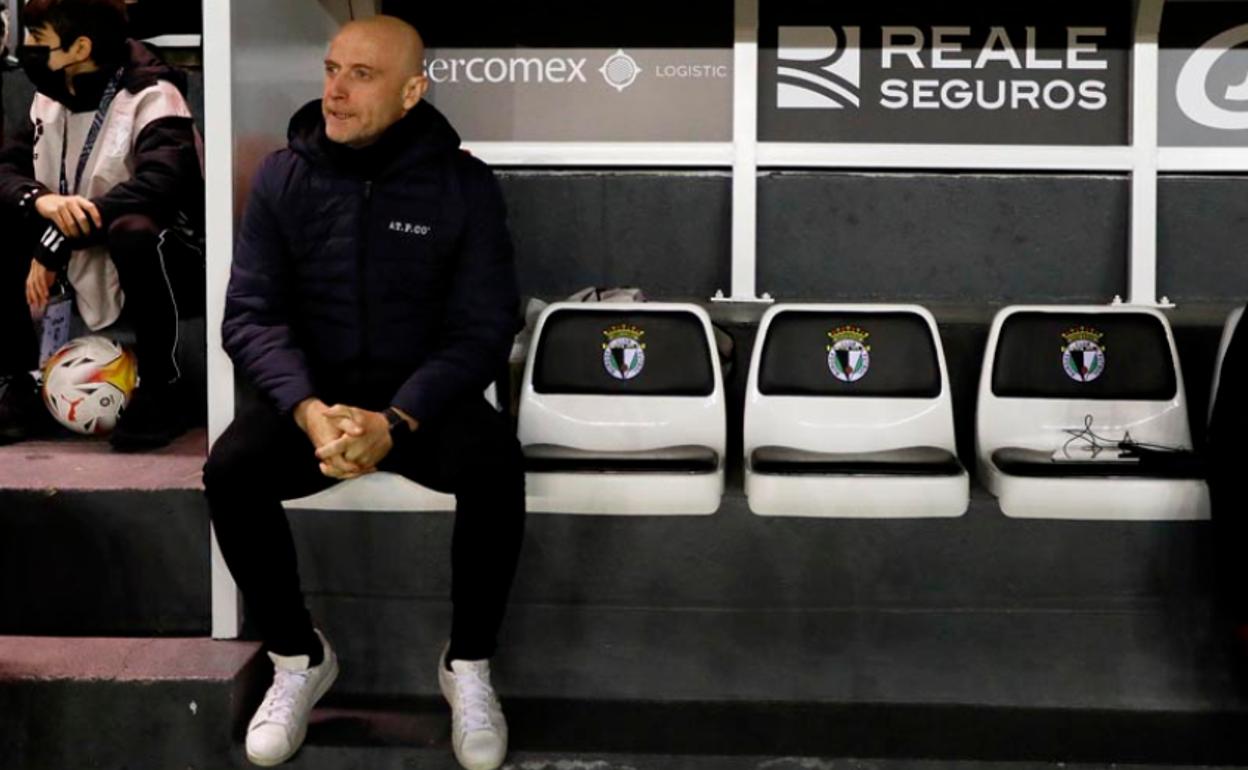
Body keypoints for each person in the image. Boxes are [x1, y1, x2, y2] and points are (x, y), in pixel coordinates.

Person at [202, 15, 525, 770]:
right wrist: (310, 412)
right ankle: (298, 657)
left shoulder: (464, 185)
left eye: (362, 75)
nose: (334, 92)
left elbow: (483, 327)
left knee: (496, 466)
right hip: (315, 406)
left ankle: (468, 667)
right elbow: (250, 316)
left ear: (414, 90)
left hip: (420, 406)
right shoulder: (285, 175)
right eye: (330, 69)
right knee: (231, 470)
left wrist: (398, 419)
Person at [0, 0, 204, 450]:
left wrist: (57, 238)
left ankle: (161, 388)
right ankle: (17, 382)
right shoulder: (48, 95)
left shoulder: (154, 94)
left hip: (169, 256)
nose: (27, 48)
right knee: (11, 214)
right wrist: (44, 202)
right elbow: (7, 169)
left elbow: (159, 187)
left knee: (134, 229)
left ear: (79, 48)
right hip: (82, 243)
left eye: (38, 38)